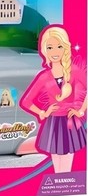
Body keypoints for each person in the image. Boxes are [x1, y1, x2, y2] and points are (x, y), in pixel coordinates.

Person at [20, 26, 86, 173]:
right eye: (50, 47)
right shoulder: (44, 77)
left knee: (67, 166)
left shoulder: (74, 71)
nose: (55, 52)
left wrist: (81, 110)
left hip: (69, 123)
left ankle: (67, 185)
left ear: (65, 48)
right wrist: (43, 112)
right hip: (53, 123)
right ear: (44, 50)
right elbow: (26, 101)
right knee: (57, 167)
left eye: (59, 46)